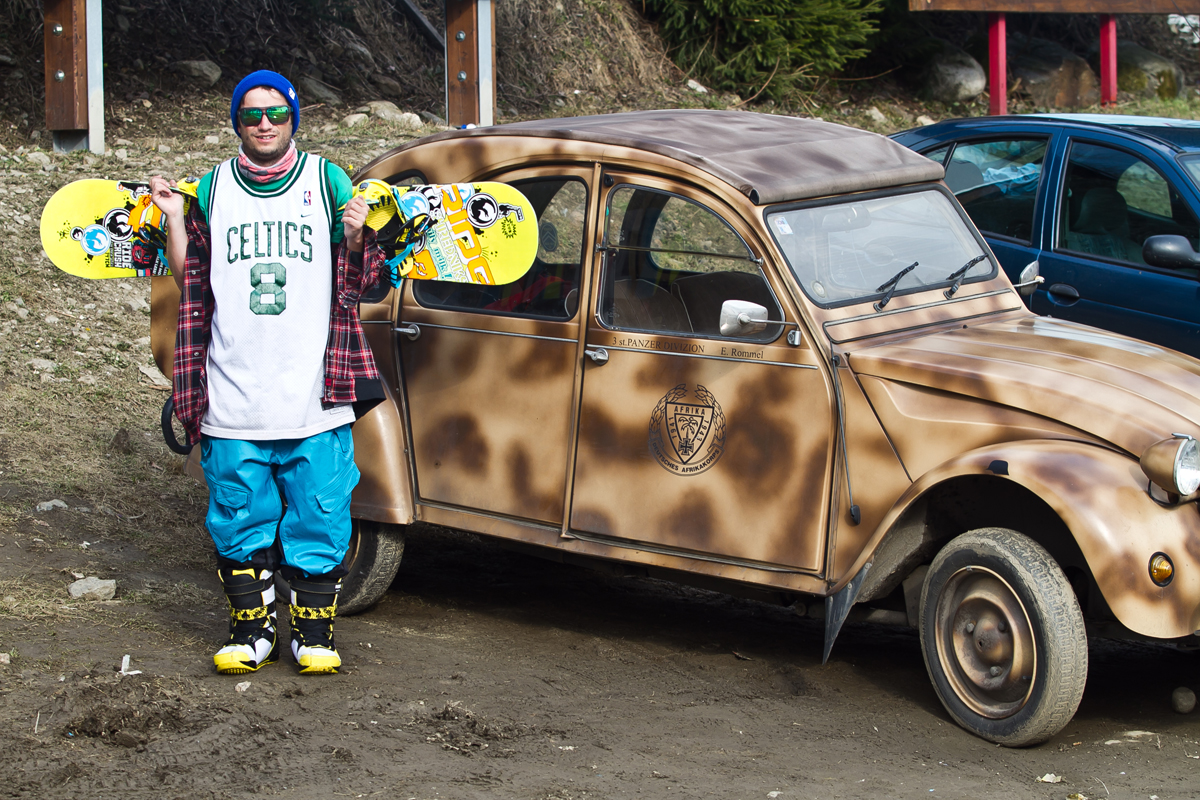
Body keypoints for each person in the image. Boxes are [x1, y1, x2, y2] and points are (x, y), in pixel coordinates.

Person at [150, 70, 383, 676]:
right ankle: (251, 633)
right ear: (237, 121)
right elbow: (188, 275)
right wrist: (172, 216)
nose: (264, 123)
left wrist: (356, 235)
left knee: (321, 515)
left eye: (276, 113)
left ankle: (313, 636)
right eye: (251, 113)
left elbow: (365, 281)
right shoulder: (211, 188)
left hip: (314, 395)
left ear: (293, 119)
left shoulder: (327, 181)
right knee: (238, 518)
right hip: (234, 395)